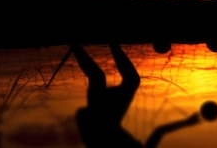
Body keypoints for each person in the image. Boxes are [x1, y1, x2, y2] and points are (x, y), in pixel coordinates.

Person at [71, 43, 201, 147]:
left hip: (100, 124)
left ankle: (83, 46)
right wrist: (186, 122)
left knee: (105, 79)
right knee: (106, 79)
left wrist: (187, 122)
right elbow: (159, 131)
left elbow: (159, 131)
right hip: (106, 122)